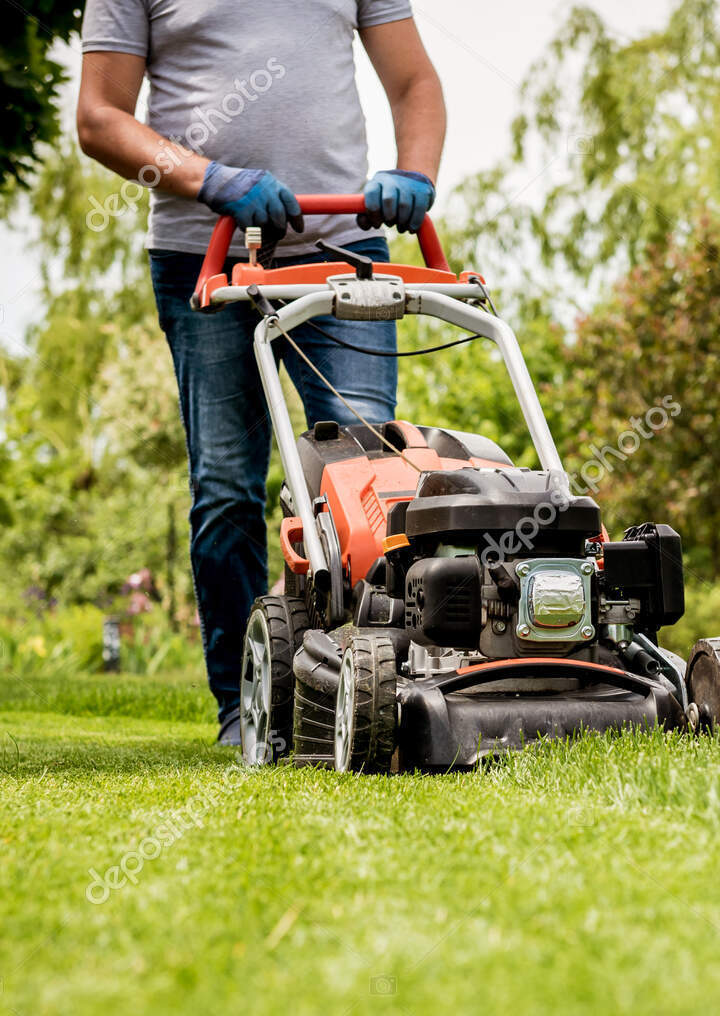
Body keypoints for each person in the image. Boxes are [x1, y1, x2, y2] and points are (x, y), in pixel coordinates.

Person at [76, 1, 446, 745]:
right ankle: (247, 708)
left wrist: (414, 170)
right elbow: (99, 117)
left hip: (342, 250)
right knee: (225, 490)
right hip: (204, 251)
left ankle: (386, 687)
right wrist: (209, 178)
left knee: (372, 485)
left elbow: (414, 84)